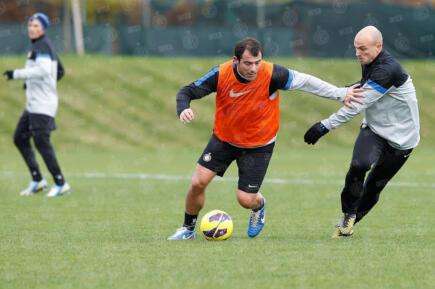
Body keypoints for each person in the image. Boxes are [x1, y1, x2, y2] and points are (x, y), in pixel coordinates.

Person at [168, 37, 363, 240]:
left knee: (245, 199)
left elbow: (307, 82)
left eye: (257, 62)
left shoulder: (272, 74)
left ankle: (259, 205)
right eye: (248, 63)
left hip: (259, 145)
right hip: (224, 139)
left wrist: (340, 93)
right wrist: (184, 108)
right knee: (197, 183)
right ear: (235, 60)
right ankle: (187, 229)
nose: (254, 68)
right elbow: (187, 91)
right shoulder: (221, 73)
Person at [303, 26, 420, 238]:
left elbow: (357, 104)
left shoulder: (388, 69)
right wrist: (340, 92)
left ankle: (352, 221)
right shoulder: (370, 62)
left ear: (379, 46)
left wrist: (324, 126)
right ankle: (348, 215)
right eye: (356, 48)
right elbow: (359, 90)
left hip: (404, 140)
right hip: (374, 130)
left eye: (363, 49)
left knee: (374, 187)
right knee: (359, 165)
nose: (358, 53)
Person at [3, 13, 71, 197]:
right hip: (34, 104)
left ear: (43, 28)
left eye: (36, 25)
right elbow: (59, 70)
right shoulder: (42, 45)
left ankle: (60, 183)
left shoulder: (42, 45)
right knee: (20, 138)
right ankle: (38, 180)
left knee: (42, 142)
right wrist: (35, 83)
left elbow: (42, 70)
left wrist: (16, 74)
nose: (32, 28)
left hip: (43, 104)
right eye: (30, 25)